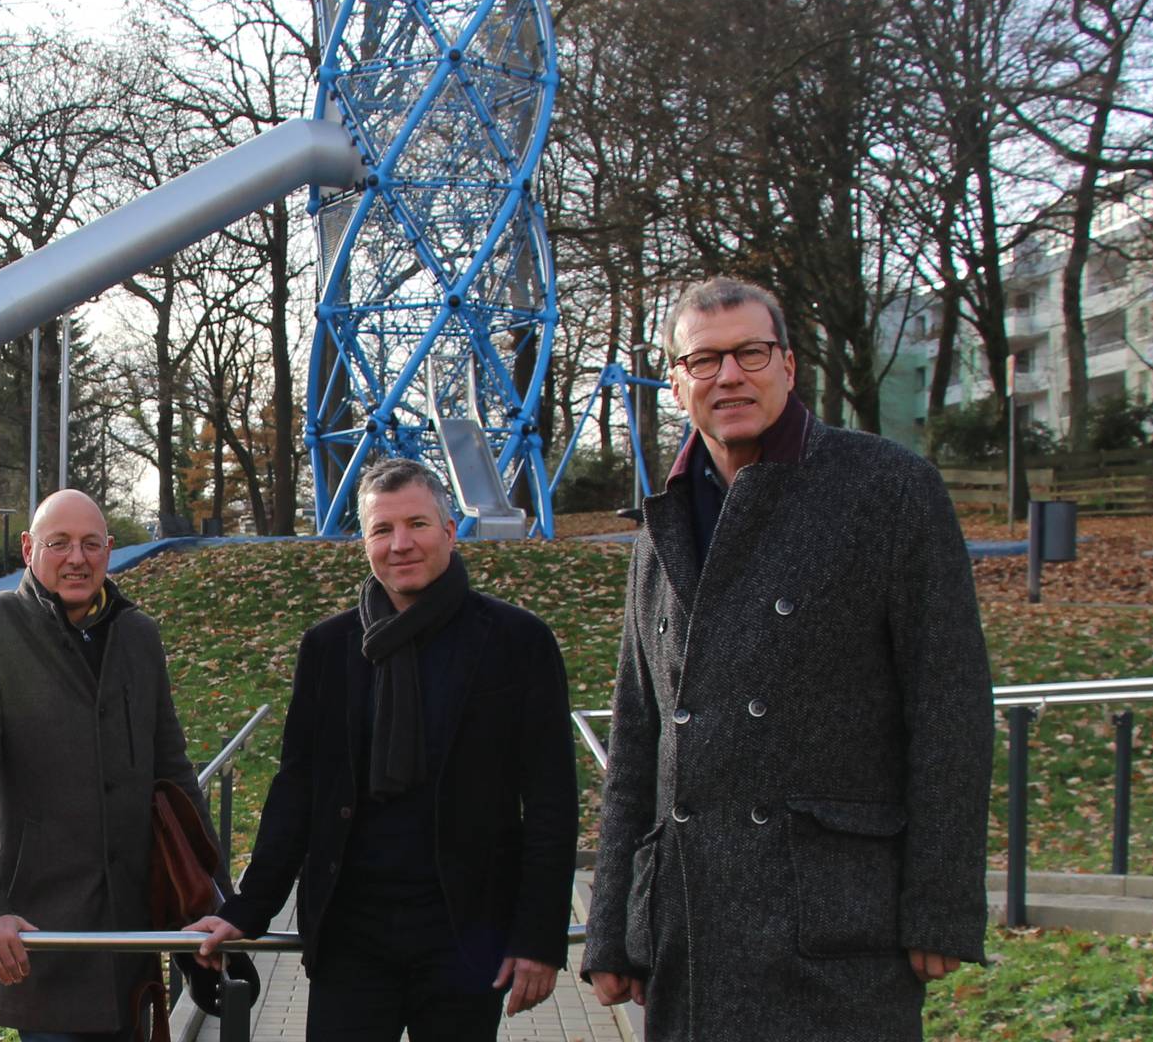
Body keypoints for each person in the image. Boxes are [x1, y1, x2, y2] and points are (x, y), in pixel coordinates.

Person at [581, 277, 992, 1040]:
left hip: (834, 922)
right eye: (703, 361)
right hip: (691, 930)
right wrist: (614, 926)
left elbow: (950, 705)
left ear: (789, 365)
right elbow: (639, 738)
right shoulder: (659, 523)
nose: (728, 376)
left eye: (750, 353)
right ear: (676, 381)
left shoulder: (889, 490)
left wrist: (940, 902)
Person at [186, 458, 578, 1041]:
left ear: (449, 530)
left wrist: (539, 937)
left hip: (466, 934)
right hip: (351, 935)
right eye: (381, 530)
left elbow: (550, 798)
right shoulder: (330, 647)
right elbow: (299, 786)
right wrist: (249, 908)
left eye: (417, 524)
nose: (400, 544)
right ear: (362, 542)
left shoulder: (515, 641)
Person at [0, 489, 203, 1041]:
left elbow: (173, 774)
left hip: (133, 932)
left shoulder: (138, 634)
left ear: (109, 550)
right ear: (29, 548)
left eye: (90, 544)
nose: (76, 558)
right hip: (42, 933)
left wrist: (211, 898)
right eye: (59, 543)